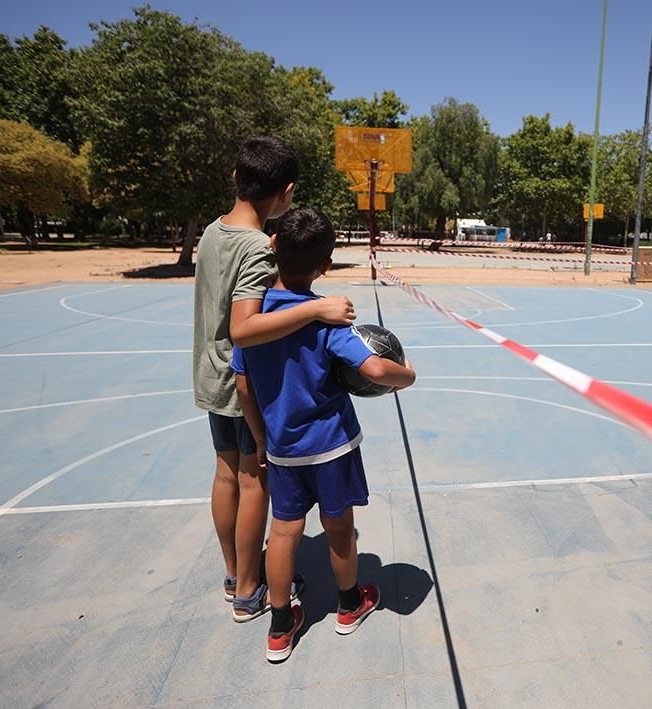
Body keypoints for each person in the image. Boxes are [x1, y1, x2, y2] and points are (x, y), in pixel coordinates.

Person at [231, 206, 416, 663]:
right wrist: (408, 375)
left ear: (273, 247)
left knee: (285, 532)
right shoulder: (326, 320)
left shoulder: (252, 320)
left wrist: (260, 438)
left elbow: (242, 385)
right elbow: (374, 368)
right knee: (339, 530)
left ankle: (278, 627)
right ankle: (350, 605)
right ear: (325, 265)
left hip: (284, 450)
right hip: (332, 445)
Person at [192, 136, 356, 622]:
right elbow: (243, 328)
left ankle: (233, 573)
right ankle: (248, 588)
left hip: (208, 373)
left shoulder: (212, 232)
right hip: (241, 383)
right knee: (254, 478)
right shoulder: (258, 252)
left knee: (225, 474)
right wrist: (317, 307)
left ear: (235, 178)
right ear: (286, 193)